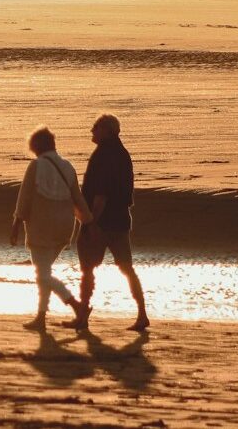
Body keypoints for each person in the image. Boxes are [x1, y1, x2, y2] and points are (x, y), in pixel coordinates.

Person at [68, 113, 150, 332]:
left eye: (95, 127)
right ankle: (142, 314)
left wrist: (91, 222)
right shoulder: (123, 154)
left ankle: (83, 315)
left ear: (106, 131)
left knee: (87, 268)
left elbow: (101, 193)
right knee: (126, 268)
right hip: (121, 220)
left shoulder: (104, 154)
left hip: (102, 221)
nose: (91, 131)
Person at [9, 125, 91, 331]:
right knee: (44, 272)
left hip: (41, 227)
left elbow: (24, 197)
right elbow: (78, 198)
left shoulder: (36, 166)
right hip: (64, 228)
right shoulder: (68, 166)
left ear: (36, 146)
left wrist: (16, 224)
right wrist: (88, 221)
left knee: (42, 275)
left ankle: (76, 305)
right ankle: (41, 318)